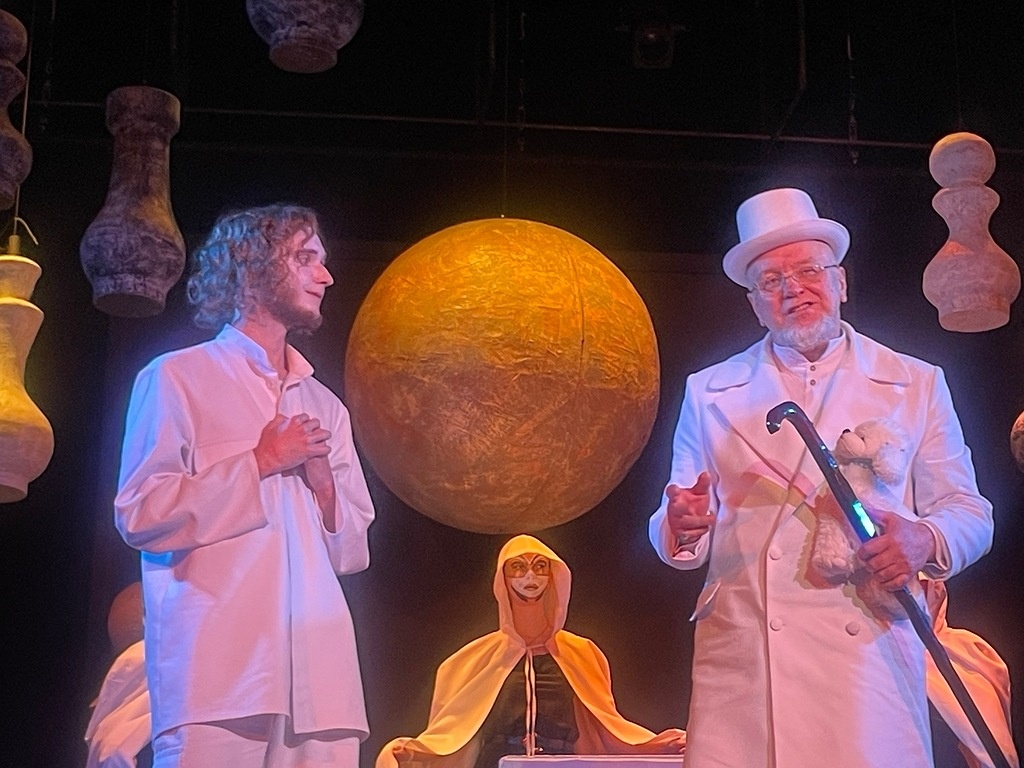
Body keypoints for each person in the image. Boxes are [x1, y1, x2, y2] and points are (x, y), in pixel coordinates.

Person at [647, 187, 994, 768]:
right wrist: (681, 524)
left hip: (870, 661)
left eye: (809, 270)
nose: (793, 290)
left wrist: (923, 538)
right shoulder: (709, 391)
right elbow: (679, 511)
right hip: (748, 671)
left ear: (841, 282)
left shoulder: (915, 382)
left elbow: (969, 511)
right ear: (755, 304)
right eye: (771, 281)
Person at [114, 204, 376, 768]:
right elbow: (140, 513)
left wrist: (324, 489)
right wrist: (259, 461)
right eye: (305, 258)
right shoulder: (177, 378)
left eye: (322, 261)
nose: (325, 276)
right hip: (218, 679)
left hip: (323, 684)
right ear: (250, 265)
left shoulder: (325, 406)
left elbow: (352, 553)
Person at [376, 534, 686, 768]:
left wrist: (660, 746)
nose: (530, 577)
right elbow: (450, 735)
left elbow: (608, 728)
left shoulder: (583, 654)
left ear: (553, 576)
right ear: (503, 578)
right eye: (518, 567)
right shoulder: (470, 660)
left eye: (540, 567)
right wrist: (411, 752)